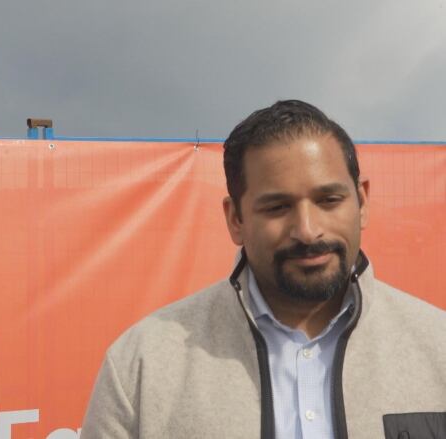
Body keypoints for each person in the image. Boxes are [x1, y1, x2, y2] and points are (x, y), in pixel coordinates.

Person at [81, 100, 446, 439]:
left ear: (362, 202)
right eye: (277, 207)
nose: (307, 229)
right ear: (236, 219)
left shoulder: (438, 346)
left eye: (329, 200)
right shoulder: (141, 366)